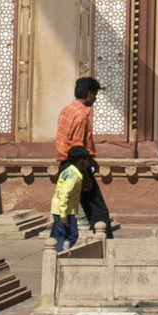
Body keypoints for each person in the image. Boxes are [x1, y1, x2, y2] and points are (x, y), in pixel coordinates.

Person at [55, 76, 113, 238]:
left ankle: (58, 245)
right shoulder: (81, 116)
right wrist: (85, 175)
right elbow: (78, 148)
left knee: (65, 207)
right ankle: (106, 245)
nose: (95, 99)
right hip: (77, 167)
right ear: (89, 94)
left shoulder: (67, 110)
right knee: (97, 209)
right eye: (94, 95)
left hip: (65, 165)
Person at [50, 153, 84, 254]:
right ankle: (57, 255)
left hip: (64, 208)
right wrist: (63, 214)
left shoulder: (70, 171)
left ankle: (58, 254)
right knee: (70, 235)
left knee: (63, 235)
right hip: (63, 210)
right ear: (81, 161)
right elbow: (64, 194)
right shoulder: (72, 176)